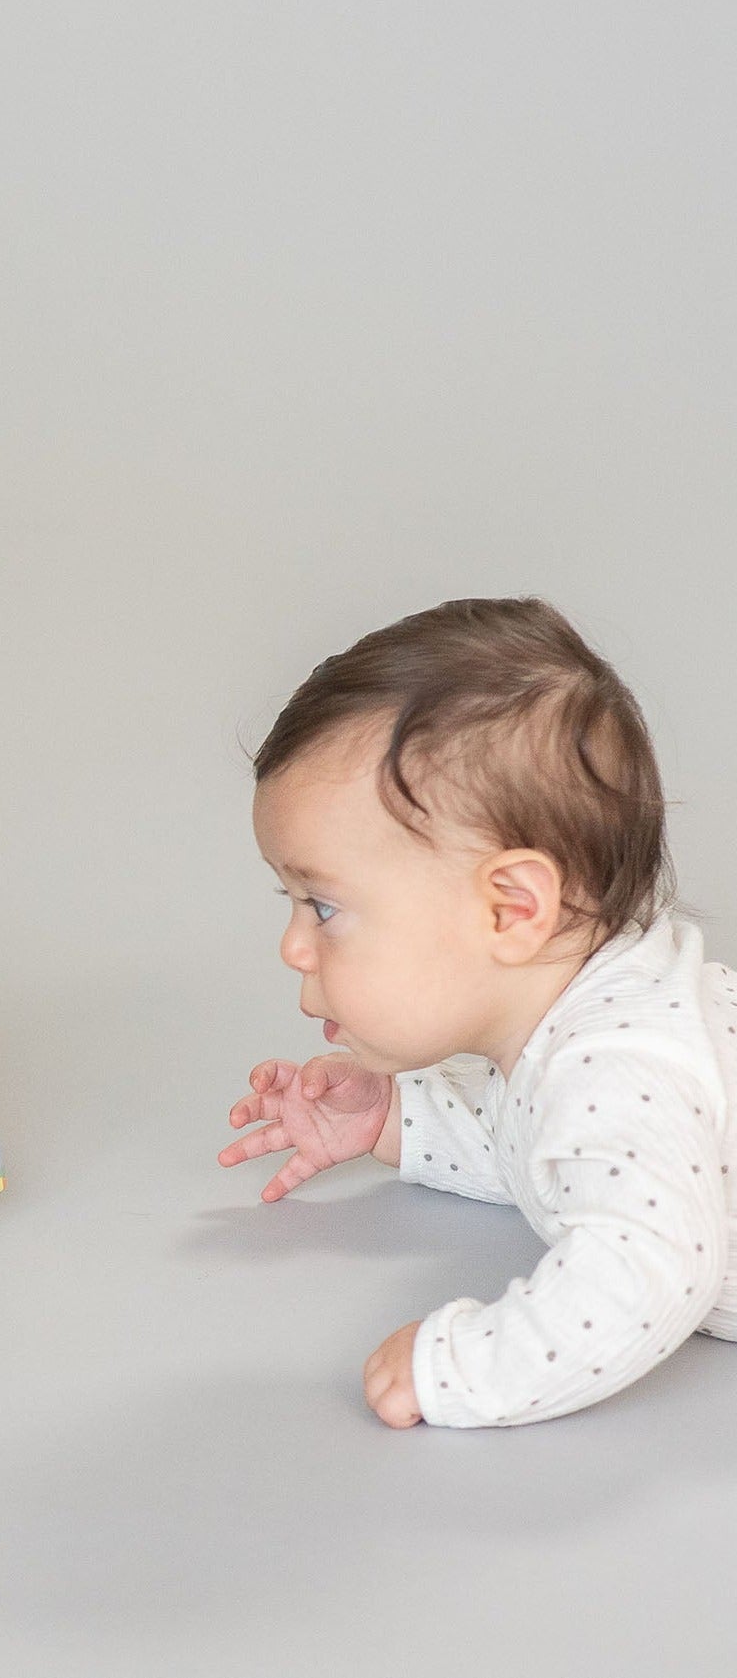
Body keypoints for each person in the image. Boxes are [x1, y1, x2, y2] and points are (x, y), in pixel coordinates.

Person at [219, 596, 737, 1428]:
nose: (292, 944)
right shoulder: (570, 1029)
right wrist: (398, 1117)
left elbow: (645, 1271)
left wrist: (463, 1365)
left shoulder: (617, 1065)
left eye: (319, 906)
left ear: (509, 909)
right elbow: (546, 1145)